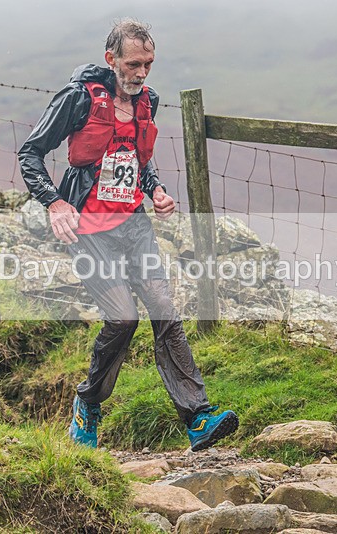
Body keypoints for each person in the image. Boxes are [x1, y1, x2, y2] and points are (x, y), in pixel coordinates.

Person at [18, 18, 237, 452]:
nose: (141, 74)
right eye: (133, 64)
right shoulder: (78, 99)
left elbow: (137, 158)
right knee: (122, 319)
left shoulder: (148, 101)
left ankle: (198, 418)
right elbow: (31, 153)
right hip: (89, 229)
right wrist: (54, 202)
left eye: (148, 64)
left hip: (133, 224)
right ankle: (88, 404)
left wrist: (155, 189)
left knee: (163, 309)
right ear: (111, 60)